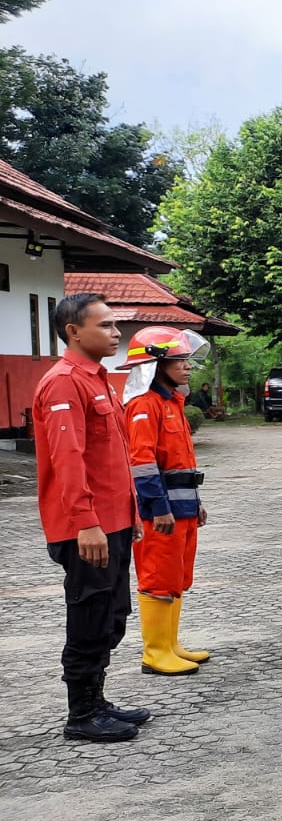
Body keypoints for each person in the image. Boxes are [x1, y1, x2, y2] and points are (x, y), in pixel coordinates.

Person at [33, 293, 149, 743]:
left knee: (112, 614)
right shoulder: (64, 383)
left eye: (115, 324)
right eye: (104, 325)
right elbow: (69, 459)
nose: (116, 332)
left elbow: (114, 458)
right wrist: (86, 522)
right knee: (89, 616)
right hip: (86, 528)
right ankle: (81, 714)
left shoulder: (98, 380)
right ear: (73, 332)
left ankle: (98, 699)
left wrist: (130, 513)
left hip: (112, 521)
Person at [121, 327, 213, 677]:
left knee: (177, 575)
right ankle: (155, 653)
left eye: (188, 359)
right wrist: (158, 508)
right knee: (158, 576)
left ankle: (171, 644)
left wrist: (195, 502)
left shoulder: (171, 403)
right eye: (179, 360)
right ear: (156, 365)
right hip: (160, 512)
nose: (188, 366)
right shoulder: (145, 406)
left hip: (182, 508)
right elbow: (142, 463)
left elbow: (182, 463)